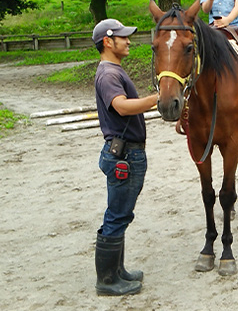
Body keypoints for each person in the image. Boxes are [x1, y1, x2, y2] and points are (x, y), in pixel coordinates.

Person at [91, 18, 158, 296]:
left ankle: (117, 272)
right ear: (108, 41)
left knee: (121, 214)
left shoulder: (113, 70)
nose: (128, 40)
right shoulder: (108, 74)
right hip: (125, 155)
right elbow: (121, 106)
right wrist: (158, 98)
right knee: (117, 215)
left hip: (127, 153)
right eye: (123, 37)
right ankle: (107, 280)